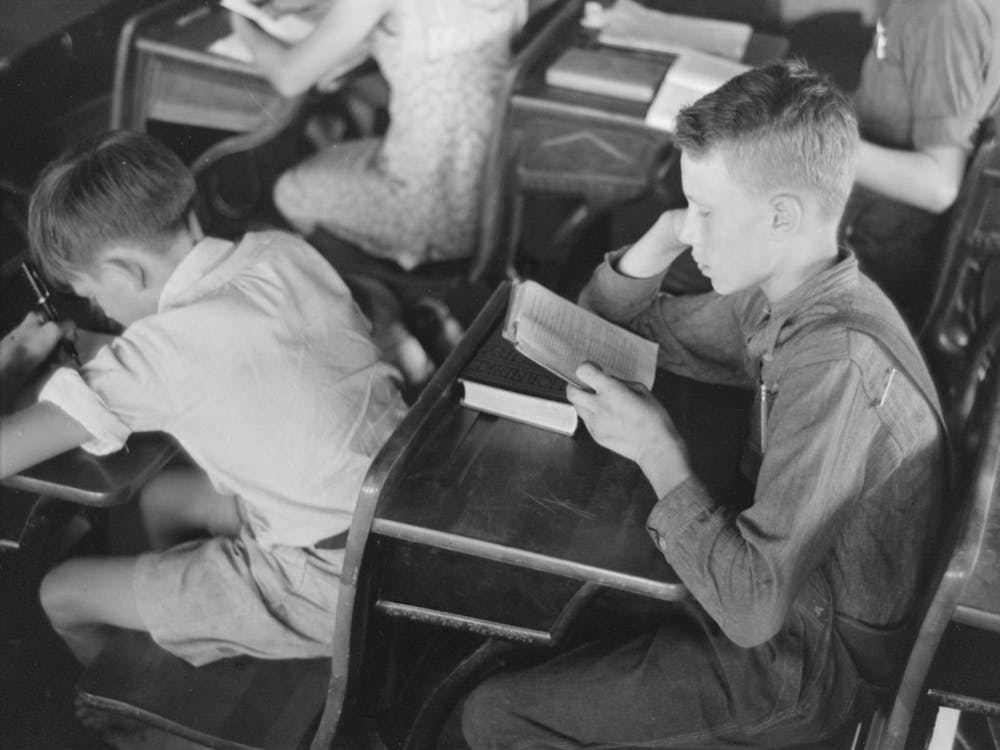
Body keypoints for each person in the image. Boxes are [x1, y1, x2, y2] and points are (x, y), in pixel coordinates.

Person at [461, 60, 946, 748]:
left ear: (781, 215)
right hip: (785, 605)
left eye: (708, 213)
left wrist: (658, 451)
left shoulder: (836, 361)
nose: (695, 232)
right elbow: (612, 330)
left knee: (498, 716)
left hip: (804, 668)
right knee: (540, 617)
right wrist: (662, 235)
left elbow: (752, 612)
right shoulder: (778, 289)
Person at [0, 130, 408, 672]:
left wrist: (16, 357)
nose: (99, 308)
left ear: (125, 271)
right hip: (397, 520)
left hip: (330, 583)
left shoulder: (158, 353)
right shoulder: (280, 249)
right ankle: (192, 627)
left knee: (63, 592)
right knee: (161, 497)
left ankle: (136, 717)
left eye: (92, 293)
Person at [231, 0, 526, 270]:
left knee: (289, 190)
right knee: (338, 120)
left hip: (429, 214)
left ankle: (372, 295)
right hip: (491, 192)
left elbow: (289, 77)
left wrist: (239, 22)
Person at [842, 0, 1000, 327]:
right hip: (857, 221)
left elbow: (938, 185)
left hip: (872, 258)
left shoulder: (944, 12)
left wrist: (814, 144)